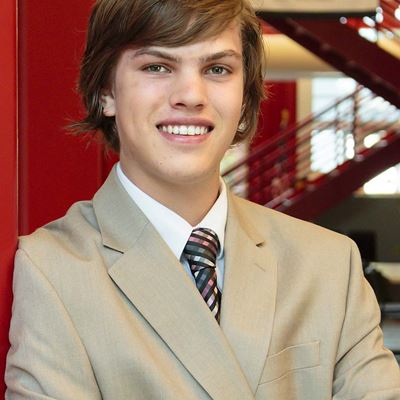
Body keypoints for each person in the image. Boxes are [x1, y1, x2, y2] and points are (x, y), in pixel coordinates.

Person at [5, 0, 400, 399]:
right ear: (106, 91)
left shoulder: (330, 264)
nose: (191, 96)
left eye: (217, 69)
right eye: (157, 67)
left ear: (244, 98)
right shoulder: (52, 270)